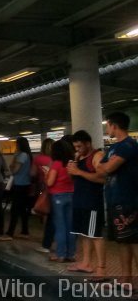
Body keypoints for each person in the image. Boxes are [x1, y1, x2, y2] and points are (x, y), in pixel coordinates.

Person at [96, 112, 138, 284]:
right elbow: (99, 168)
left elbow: (106, 168)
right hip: (115, 200)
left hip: (129, 200)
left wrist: (106, 166)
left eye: (107, 125)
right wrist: (106, 166)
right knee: (122, 241)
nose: (107, 129)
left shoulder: (128, 145)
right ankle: (125, 276)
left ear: (114, 125)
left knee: (135, 240)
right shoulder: (114, 148)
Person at [66, 130, 106, 278]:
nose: (77, 149)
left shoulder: (97, 156)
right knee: (84, 234)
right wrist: (72, 168)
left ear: (88, 143)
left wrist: (78, 172)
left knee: (96, 235)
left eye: (79, 146)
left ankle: (101, 268)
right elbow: (74, 178)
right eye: (75, 147)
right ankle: (86, 263)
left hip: (92, 203)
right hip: (79, 201)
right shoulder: (79, 157)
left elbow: (102, 179)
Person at [46, 140, 76, 262]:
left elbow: (50, 182)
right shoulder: (71, 164)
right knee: (70, 226)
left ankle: (60, 255)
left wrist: (45, 176)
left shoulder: (56, 164)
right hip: (71, 195)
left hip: (58, 197)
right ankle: (70, 254)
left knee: (60, 226)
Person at [0, 137, 32, 241]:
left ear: (20, 145)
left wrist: (12, 164)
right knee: (22, 210)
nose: (16, 146)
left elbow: (14, 170)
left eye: (17, 144)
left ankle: (9, 233)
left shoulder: (21, 155)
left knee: (15, 210)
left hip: (19, 185)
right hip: (25, 184)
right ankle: (25, 232)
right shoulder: (28, 155)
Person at [32, 138, 55, 253]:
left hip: (43, 186)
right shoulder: (55, 160)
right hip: (56, 190)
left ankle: (46, 238)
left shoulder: (38, 159)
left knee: (46, 211)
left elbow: (33, 173)